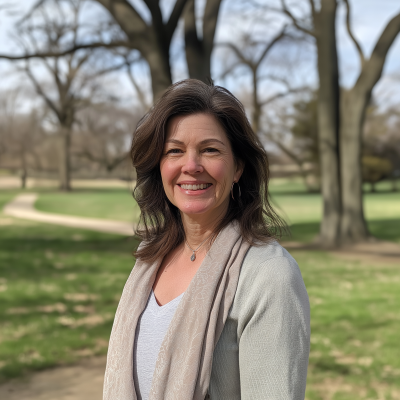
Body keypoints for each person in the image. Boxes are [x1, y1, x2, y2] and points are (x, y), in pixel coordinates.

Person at [103, 79, 310, 400]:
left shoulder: (268, 276)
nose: (191, 166)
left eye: (210, 150)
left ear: (238, 166)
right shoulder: (149, 257)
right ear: (159, 166)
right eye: (175, 151)